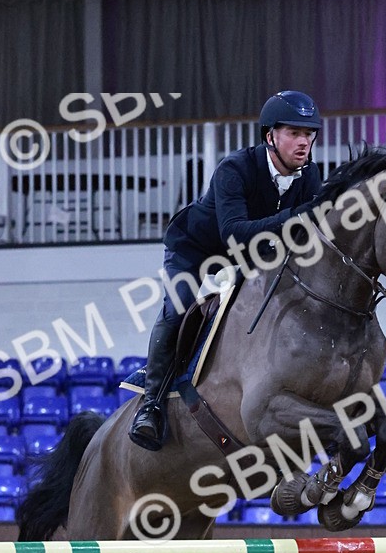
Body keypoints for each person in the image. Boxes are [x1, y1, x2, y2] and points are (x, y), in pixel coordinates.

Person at [128, 89, 323, 450]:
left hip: (253, 256)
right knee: (179, 309)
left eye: (309, 133)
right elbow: (232, 231)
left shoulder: (310, 177)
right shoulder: (234, 169)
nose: (304, 142)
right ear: (270, 136)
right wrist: (296, 216)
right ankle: (151, 404)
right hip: (197, 250)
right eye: (294, 133)